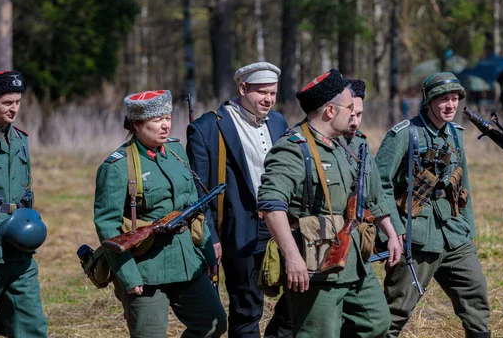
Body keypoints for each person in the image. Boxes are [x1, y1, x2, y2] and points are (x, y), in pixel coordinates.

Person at [257, 69, 402, 337]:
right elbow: (271, 206)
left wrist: (390, 233)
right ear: (330, 112)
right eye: (349, 108)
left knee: (377, 322)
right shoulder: (293, 149)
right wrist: (292, 257)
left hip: (353, 260)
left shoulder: (343, 146)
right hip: (316, 265)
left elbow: (371, 195)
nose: (354, 115)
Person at [94, 90, 226, 338]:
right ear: (136, 124)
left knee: (213, 325)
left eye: (167, 117)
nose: (165, 125)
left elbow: (194, 208)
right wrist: (128, 276)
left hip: (188, 262)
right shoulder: (117, 166)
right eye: (157, 120)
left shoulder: (176, 152)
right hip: (146, 269)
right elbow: (107, 225)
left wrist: (208, 254)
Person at [376, 72, 491, 338]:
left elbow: (464, 187)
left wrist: (467, 229)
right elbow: (378, 184)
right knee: (395, 311)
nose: (450, 105)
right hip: (415, 235)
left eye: (454, 99)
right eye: (443, 100)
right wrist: (393, 230)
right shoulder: (404, 134)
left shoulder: (456, 134)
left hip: (454, 234)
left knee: (476, 299)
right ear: (428, 101)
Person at [186, 62, 290, 338]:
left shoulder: (279, 122)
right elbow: (200, 191)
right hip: (239, 230)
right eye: (262, 92)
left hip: (282, 225)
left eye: (273, 93)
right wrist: (211, 237)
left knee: (297, 297)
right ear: (243, 88)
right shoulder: (207, 128)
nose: (268, 99)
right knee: (247, 307)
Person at [0, 70, 48, 337]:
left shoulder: (20, 139)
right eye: (6, 103)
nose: (14, 109)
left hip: (20, 247)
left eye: (18, 102)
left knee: (31, 325)